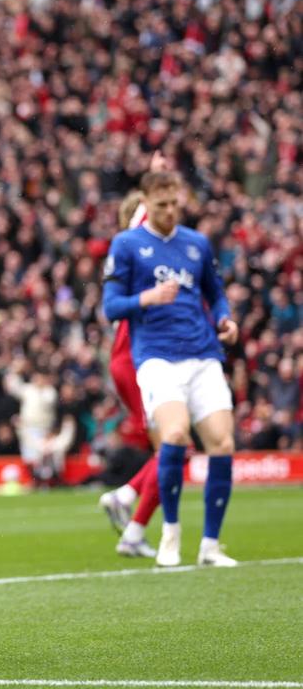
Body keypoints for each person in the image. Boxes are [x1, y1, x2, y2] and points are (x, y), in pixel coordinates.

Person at [102, 170, 239, 568]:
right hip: (156, 356)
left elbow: (216, 293)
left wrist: (225, 320)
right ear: (146, 203)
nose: (168, 211)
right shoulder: (128, 244)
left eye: (173, 203)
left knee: (222, 443)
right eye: (159, 205)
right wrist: (149, 297)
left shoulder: (196, 243)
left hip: (203, 352)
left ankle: (210, 545)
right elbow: (111, 306)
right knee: (175, 435)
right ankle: (169, 534)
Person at [97, 188, 161, 559]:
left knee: (173, 450)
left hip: (135, 360)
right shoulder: (135, 250)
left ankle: (136, 521)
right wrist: (159, 175)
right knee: (174, 447)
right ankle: (129, 507)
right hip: (135, 360)